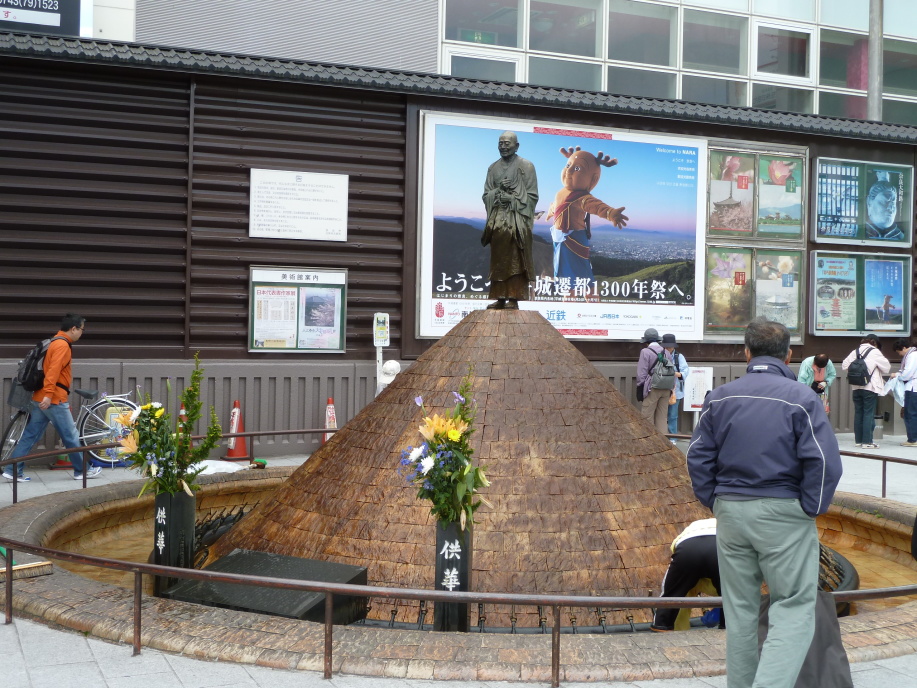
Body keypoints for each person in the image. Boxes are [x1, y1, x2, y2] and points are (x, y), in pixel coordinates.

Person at [686, 317, 843, 688]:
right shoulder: (802, 398)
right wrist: (810, 507)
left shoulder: (719, 397)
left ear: (746, 352)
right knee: (793, 607)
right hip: (784, 510)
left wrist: (715, 501)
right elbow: (824, 462)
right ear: (788, 356)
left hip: (730, 510)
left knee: (739, 611)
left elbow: (697, 456)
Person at [3, 314, 102, 483]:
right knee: (70, 435)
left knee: (30, 435)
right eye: (82, 329)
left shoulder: (54, 341)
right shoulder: (62, 345)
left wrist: (45, 395)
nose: (82, 333)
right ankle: (83, 471)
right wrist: (49, 396)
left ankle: (12, 470)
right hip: (54, 399)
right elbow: (53, 372)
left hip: (40, 397)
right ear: (73, 329)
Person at [543, 147, 628, 283]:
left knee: (579, 267)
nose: (569, 171)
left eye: (577, 168)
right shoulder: (561, 192)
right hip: (559, 236)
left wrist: (611, 213)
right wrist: (551, 211)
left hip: (573, 237)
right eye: (568, 165)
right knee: (561, 263)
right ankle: (565, 286)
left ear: (593, 179)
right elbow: (557, 205)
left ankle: (585, 291)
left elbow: (597, 206)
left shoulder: (582, 198)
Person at [481, 131, 538, 310]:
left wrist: (512, 199)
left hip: (517, 220)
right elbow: (486, 195)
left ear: (516, 146)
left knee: (516, 258)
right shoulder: (492, 168)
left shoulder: (526, 166)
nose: (503, 147)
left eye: (507, 143)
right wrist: (498, 191)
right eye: (501, 143)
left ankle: (514, 298)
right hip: (498, 220)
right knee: (498, 259)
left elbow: (532, 196)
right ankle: (500, 297)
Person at [650, 518, 721, 632]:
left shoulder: (693, 527)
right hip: (719, 547)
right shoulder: (737, 526)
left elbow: (669, 589)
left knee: (671, 598)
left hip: (687, 549)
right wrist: (721, 610)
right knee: (733, 598)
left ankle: (663, 629)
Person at [842, 334, 890, 449]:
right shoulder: (875, 352)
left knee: (859, 413)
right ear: (875, 343)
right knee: (868, 413)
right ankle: (867, 442)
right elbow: (886, 368)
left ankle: (859, 441)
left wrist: (858, 372)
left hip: (856, 386)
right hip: (870, 386)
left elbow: (844, 366)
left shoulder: (855, 351)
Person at [636, 328, 671, 434]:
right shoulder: (666, 352)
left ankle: (649, 440)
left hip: (652, 387)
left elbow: (641, 373)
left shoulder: (645, 352)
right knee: (662, 417)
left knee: (647, 416)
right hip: (666, 387)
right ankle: (662, 441)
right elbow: (671, 370)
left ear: (646, 341)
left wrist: (640, 387)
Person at [662, 333, 690, 439]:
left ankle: (672, 437)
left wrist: (674, 373)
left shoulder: (679, 357)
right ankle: (662, 436)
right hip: (661, 389)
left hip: (675, 391)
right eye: (667, 346)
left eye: (670, 346)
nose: (669, 348)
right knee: (660, 415)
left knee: (673, 415)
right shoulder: (660, 355)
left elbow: (685, 371)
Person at [891, 339, 917, 447]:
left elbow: (907, 374)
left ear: (904, 348)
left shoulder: (912, 356)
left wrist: (897, 375)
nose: (900, 354)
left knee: (910, 413)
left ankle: (913, 439)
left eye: (899, 352)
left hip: (913, 387)